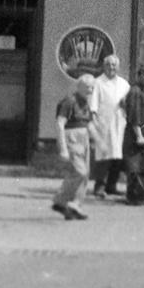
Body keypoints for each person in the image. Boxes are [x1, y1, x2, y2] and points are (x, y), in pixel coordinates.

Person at [51, 75, 95, 220]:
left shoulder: (86, 102)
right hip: (72, 139)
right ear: (79, 87)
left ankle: (74, 205)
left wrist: (96, 140)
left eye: (92, 87)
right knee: (80, 172)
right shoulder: (69, 101)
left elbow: (88, 123)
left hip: (84, 140)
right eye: (87, 87)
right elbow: (60, 124)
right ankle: (62, 201)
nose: (90, 90)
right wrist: (63, 148)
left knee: (85, 174)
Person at [88, 54, 129, 199]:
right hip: (104, 125)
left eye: (114, 65)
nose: (111, 67)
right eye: (109, 64)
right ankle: (99, 186)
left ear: (118, 67)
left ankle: (112, 185)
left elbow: (129, 103)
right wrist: (94, 125)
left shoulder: (124, 84)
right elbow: (93, 107)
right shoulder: (98, 83)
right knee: (103, 156)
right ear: (104, 66)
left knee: (117, 157)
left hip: (120, 124)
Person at [121, 64, 144, 206]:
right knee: (135, 165)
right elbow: (134, 115)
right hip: (136, 134)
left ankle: (141, 195)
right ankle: (134, 196)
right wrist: (139, 135)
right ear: (139, 76)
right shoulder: (135, 91)